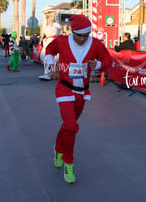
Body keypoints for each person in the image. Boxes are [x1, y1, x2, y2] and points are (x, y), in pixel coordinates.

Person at [45, 14, 113, 184]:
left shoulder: (96, 44)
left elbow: (108, 60)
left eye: (85, 35)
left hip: (82, 92)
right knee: (71, 126)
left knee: (69, 126)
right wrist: (50, 66)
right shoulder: (61, 41)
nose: (82, 39)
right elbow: (49, 51)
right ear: (72, 31)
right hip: (64, 88)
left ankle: (58, 148)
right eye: (78, 35)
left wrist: (96, 65)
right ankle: (69, 163)